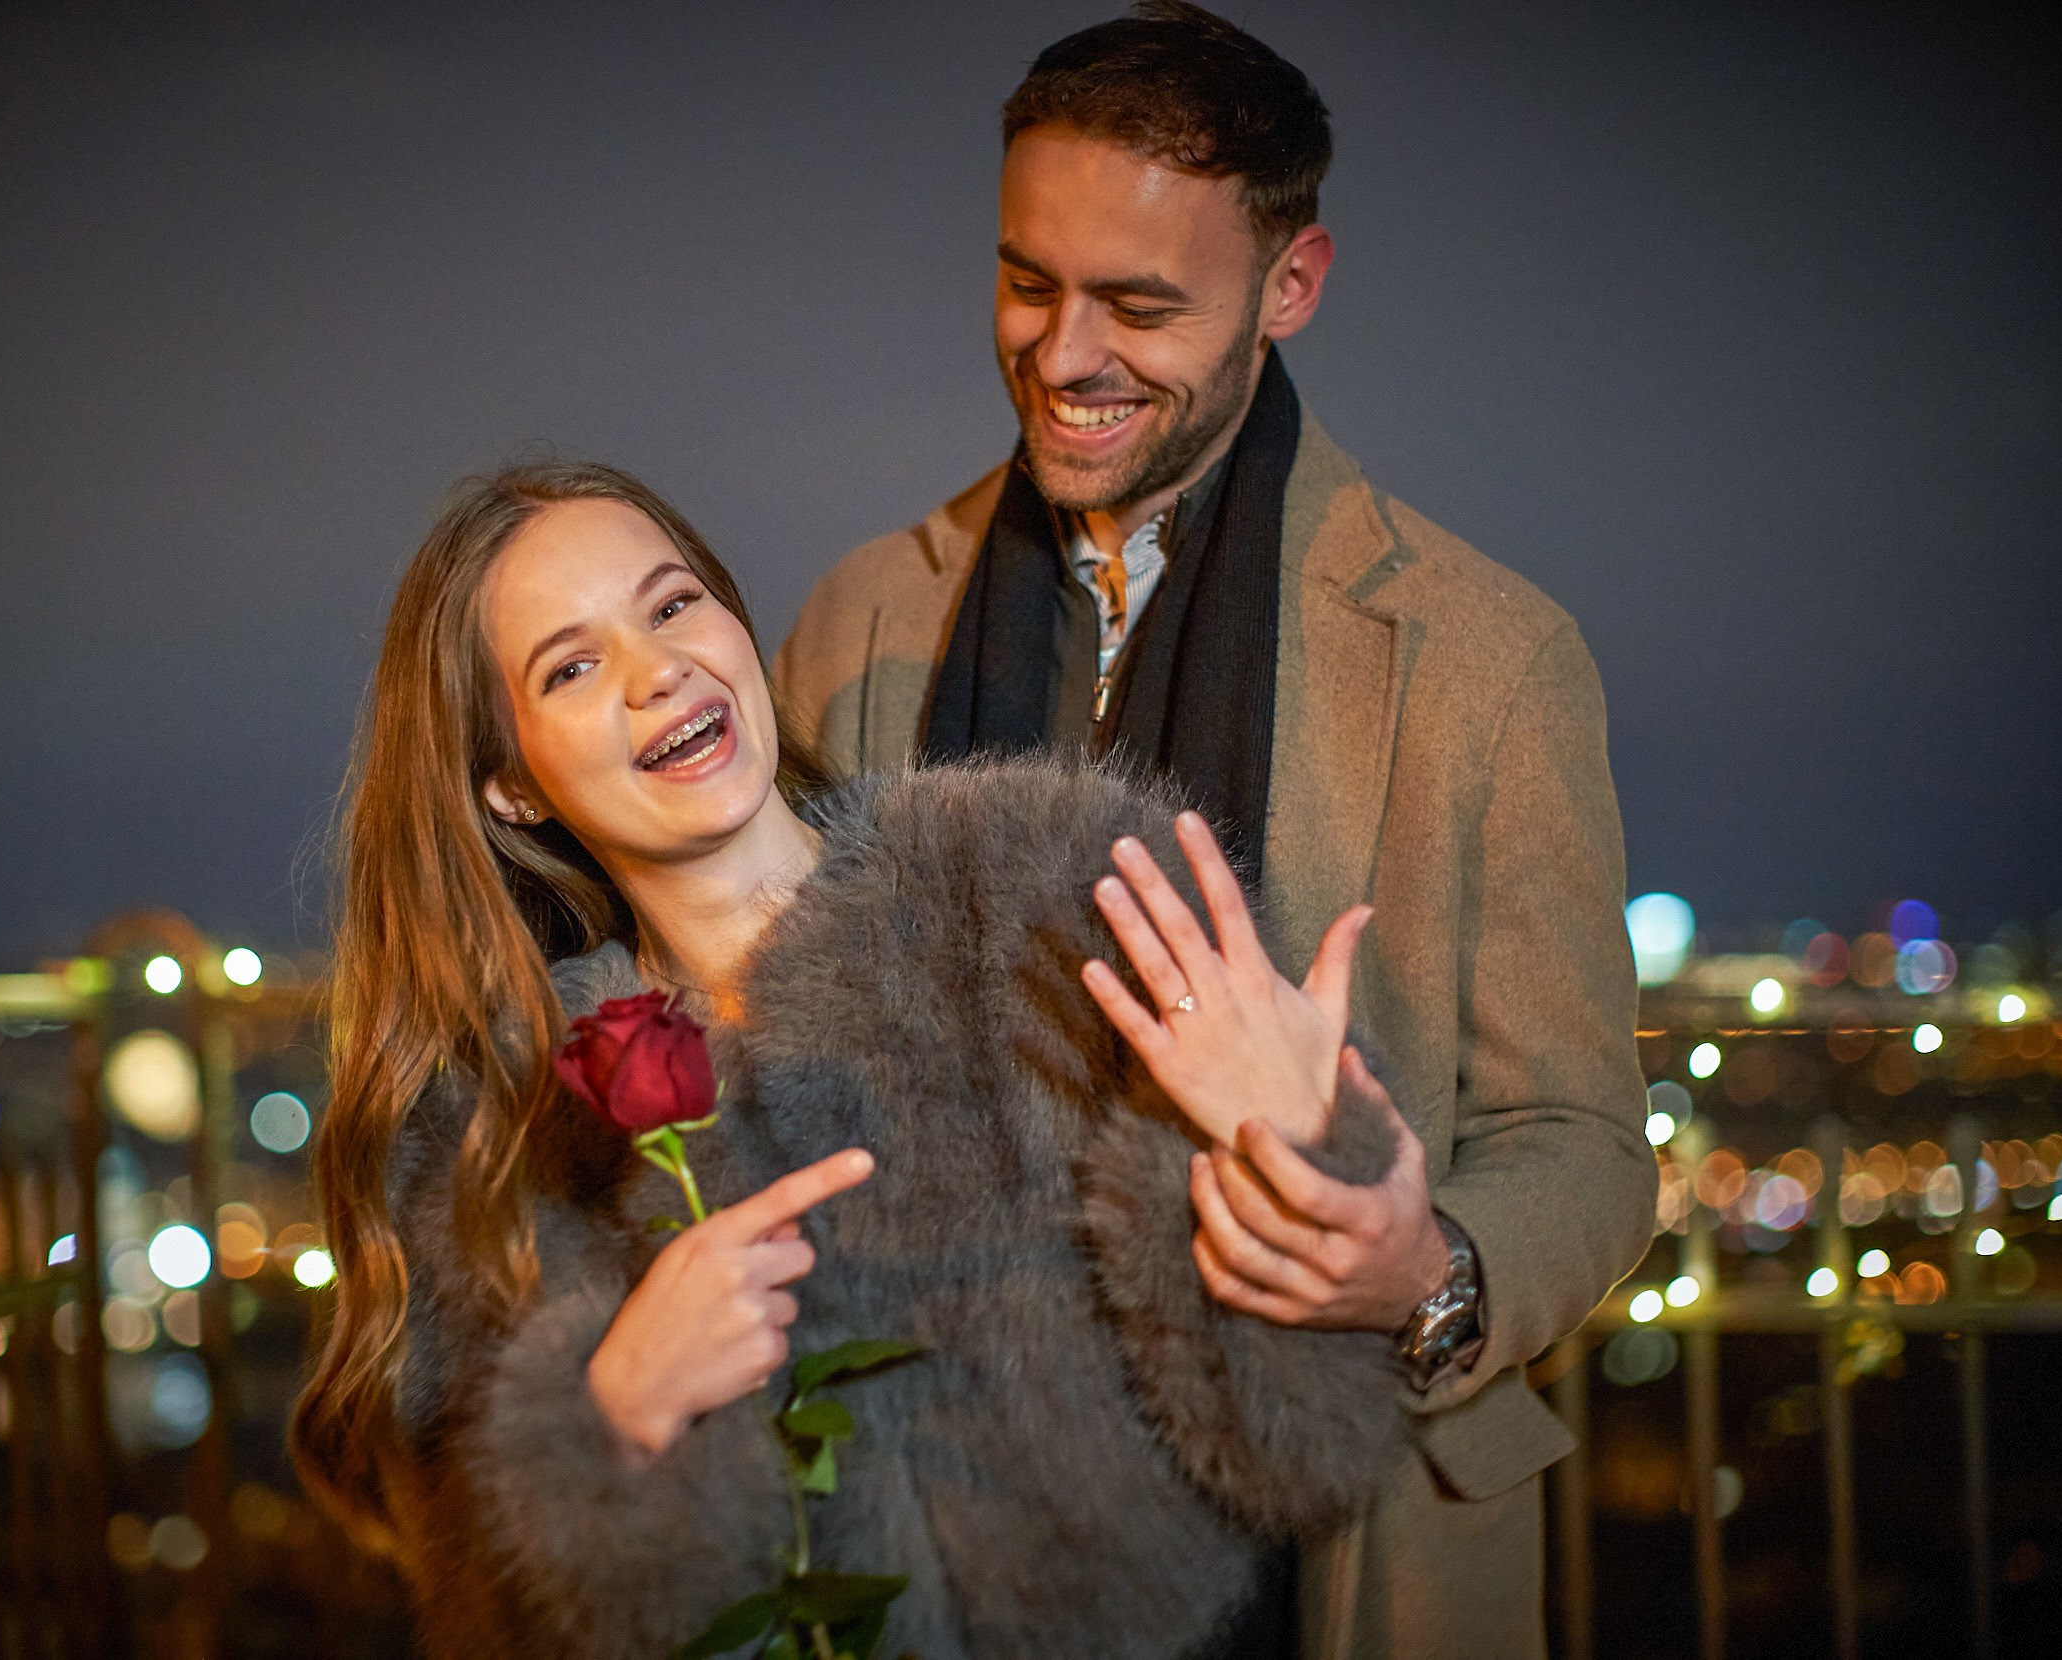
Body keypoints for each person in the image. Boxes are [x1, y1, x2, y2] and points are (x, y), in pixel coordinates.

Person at [773, 5, 1658, 1654]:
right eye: (1027, 279)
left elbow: (1589, 1142)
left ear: (1293, 284)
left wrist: (1425, 1268)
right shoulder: (858, 622)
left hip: (1334, 1555)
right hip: (931, 1534)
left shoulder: (1485, 656)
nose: (1061, 350)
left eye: (1142, 303)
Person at [291, 459, 1409, 1658]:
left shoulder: (1055, 895)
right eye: (571, 666)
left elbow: (1300, 1452)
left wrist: (1293, 1162)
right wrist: (613, 1425)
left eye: (672, 605)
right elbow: (489, 1627)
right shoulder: (497, 1139)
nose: (656, 669)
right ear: (509, 784)